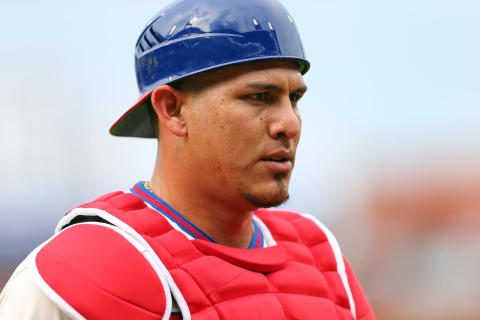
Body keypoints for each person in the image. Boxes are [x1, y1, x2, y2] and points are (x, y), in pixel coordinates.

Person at [0, 0, 375, 319]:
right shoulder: (86, 267)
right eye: (259, 97)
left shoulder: (321, 257)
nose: (288, 123)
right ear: (173, 110)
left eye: (294, 99)